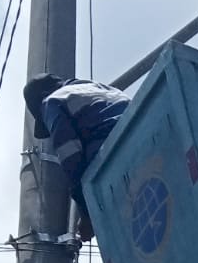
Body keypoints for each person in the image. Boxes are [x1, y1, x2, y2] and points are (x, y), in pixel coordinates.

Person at [23, 74, 130, 241]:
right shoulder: (100, 87)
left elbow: (71, 157)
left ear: (43, 96)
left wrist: (87, 213)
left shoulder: (52, 101)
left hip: (110, 154)